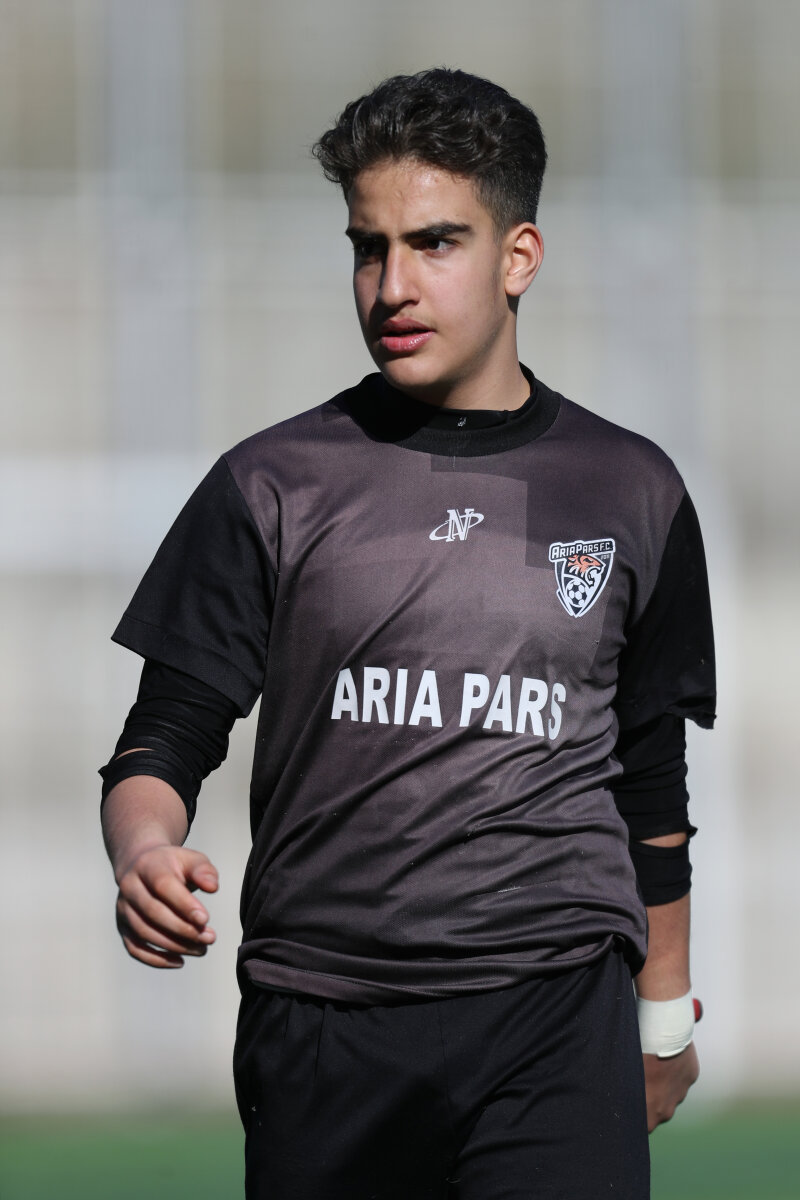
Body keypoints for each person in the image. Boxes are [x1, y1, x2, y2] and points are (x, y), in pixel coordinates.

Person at [100, 68, 716, 1199]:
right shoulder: (271, 482)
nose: (391, 285)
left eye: (434, 243)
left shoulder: (629, 489)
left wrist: (662, 1018)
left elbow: (650, 777)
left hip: (554, 1008)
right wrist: (143, 850)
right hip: (321, 1018)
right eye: (367, 248)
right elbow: (163, 736)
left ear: (518, 256)